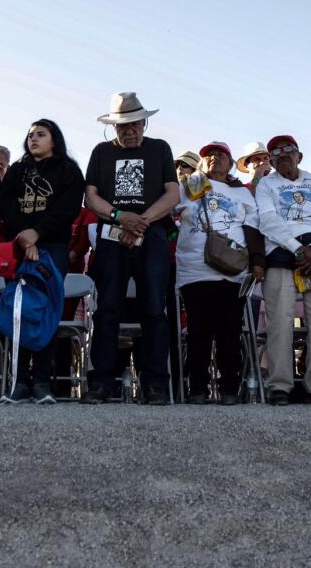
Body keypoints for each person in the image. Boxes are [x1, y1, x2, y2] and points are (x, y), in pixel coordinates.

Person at [82, 92, 179, 404]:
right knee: (107, 308)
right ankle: (101, 382)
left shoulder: (160, 149)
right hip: (112, 232)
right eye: (122, 125)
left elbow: (173, 195)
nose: (129, 130)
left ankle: (156, 384)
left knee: (154, 309)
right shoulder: (100, 152)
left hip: (151, 234)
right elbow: (91, 197)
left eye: (135, 124)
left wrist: (141, 221)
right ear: (114, 127)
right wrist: (120, 217)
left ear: (143, 122)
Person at [0, 119, 85, 404]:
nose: (33, 138)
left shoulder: (69, 170)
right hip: (19, 245)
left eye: (41, 134)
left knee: (46, 310)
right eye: (31, 134)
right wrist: (25, 238)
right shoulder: (17, 171)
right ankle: (20, 381)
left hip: (53, 246)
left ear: (54, 140)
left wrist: (38, 233)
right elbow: (8, 207)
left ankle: (43, 382)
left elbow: (68, 209)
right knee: (19, 310)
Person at [174, 142, 263, 405]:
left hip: (232, 270)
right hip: (194, 270)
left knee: (229, 332)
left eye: (221, 155)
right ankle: (198, 389)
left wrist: (258, 261)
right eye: (209, 155)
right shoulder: (191, 185)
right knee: (198, 332)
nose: (214, 158)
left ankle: (229, 390)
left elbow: (253, 228)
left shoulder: (241, 192)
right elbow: (168, 213)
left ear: (230, 162)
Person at [255, 135, 311, 405]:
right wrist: (296, 248)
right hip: (281, 253)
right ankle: (280, 385)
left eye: (288, 150)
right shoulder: (266, 184)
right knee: (280, 321)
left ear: (299, 156)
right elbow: (267, 220)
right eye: (275, 152)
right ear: (270, 160)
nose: (282, 155)